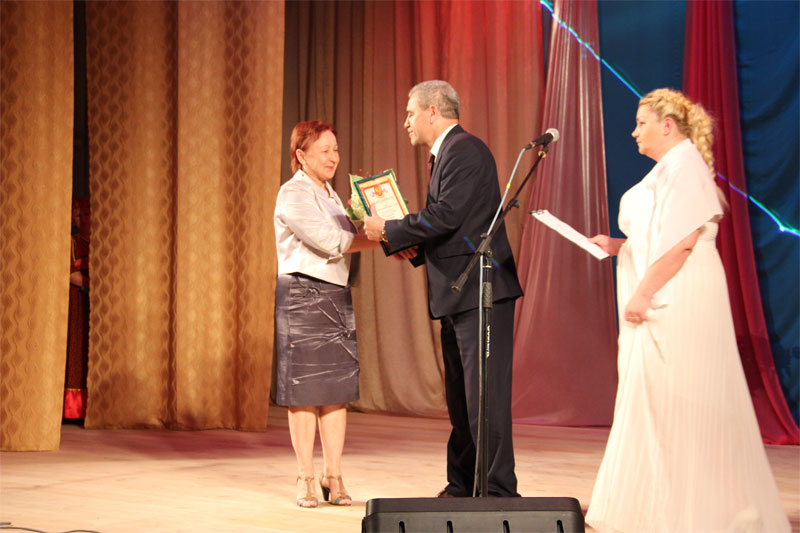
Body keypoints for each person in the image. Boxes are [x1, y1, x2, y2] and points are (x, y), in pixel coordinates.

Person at [585, 88, 790, 532]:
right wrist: (618, 246)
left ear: (667, 125)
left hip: (678, 295)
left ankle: (696, 511)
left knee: (683, 397)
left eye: (641, 123)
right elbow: (660, 236)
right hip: (668, 289)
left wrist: (643, 294)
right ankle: (664, 506)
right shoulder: (669, 170)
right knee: (662, 400)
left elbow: (682, 243)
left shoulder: (684, 167)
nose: (634, 131)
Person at [364, 80, 523, 497]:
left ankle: (497, 491)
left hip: (481, 292)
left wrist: (391, 229)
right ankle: (463, 485)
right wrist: (410, 247)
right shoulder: (448, 153)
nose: (406, 122)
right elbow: (458, 227)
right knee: (461, 398)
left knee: (483, 397)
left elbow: (448, 215)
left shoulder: (464, 149)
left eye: (410, 113)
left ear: (433, 111)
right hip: (460, 292)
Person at [273, 120, 380, 508]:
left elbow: (352, 235)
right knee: (303, 393)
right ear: (301, 156)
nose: (333, 157)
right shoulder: (293, 193)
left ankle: (332, 474)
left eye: (335, 149)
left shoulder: (332, 195)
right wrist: (384, 239)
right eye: (324, 150)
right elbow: (330, 241)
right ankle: (305, 475)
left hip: (335, 295)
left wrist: (377, 223)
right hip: (302, 295)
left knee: (336, 392)